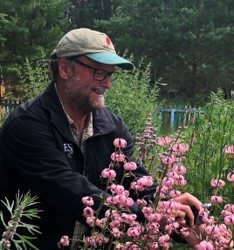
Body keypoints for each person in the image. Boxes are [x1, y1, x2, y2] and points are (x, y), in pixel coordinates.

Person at [0, 28, 204, 250]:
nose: (107, 84)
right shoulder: (27, 125)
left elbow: (134, 182)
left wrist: (174, 212)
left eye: (110, 74)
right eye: (99, 72)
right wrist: (149, 216)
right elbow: (67, 189)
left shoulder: (112, 127)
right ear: (65, 69)